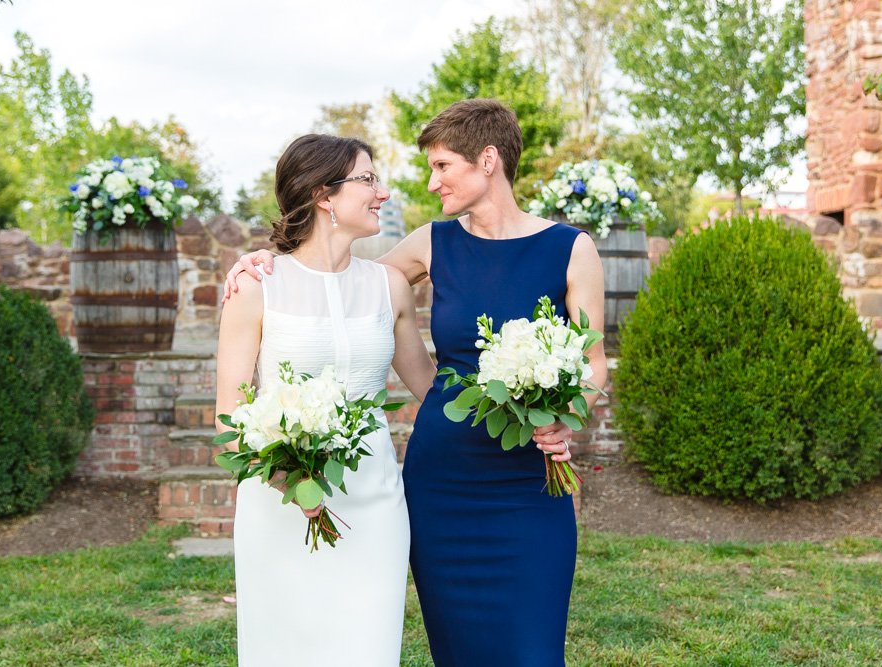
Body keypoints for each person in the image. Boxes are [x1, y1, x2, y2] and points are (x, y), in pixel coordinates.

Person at [224, 99, 608, 666]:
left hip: (525, 471)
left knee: (534, 646)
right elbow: (334, 274)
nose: (430, 183)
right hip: (442, 476)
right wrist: (262, 259)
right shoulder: (432, 242)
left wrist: (565, 411)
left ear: (487, 159)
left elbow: (594, 362)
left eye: (441, 166)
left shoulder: (572, 249)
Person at [214, 134, 437, 667]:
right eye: (368, 179)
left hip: (375, 499)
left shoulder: (389, 287)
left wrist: (521, 399)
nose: (382, 192)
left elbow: (433, 390)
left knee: (367, 643)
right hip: (281, 501)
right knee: (285, 645)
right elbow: (231, 417)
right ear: (323, 195)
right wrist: (291, 482)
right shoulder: (257, 286)